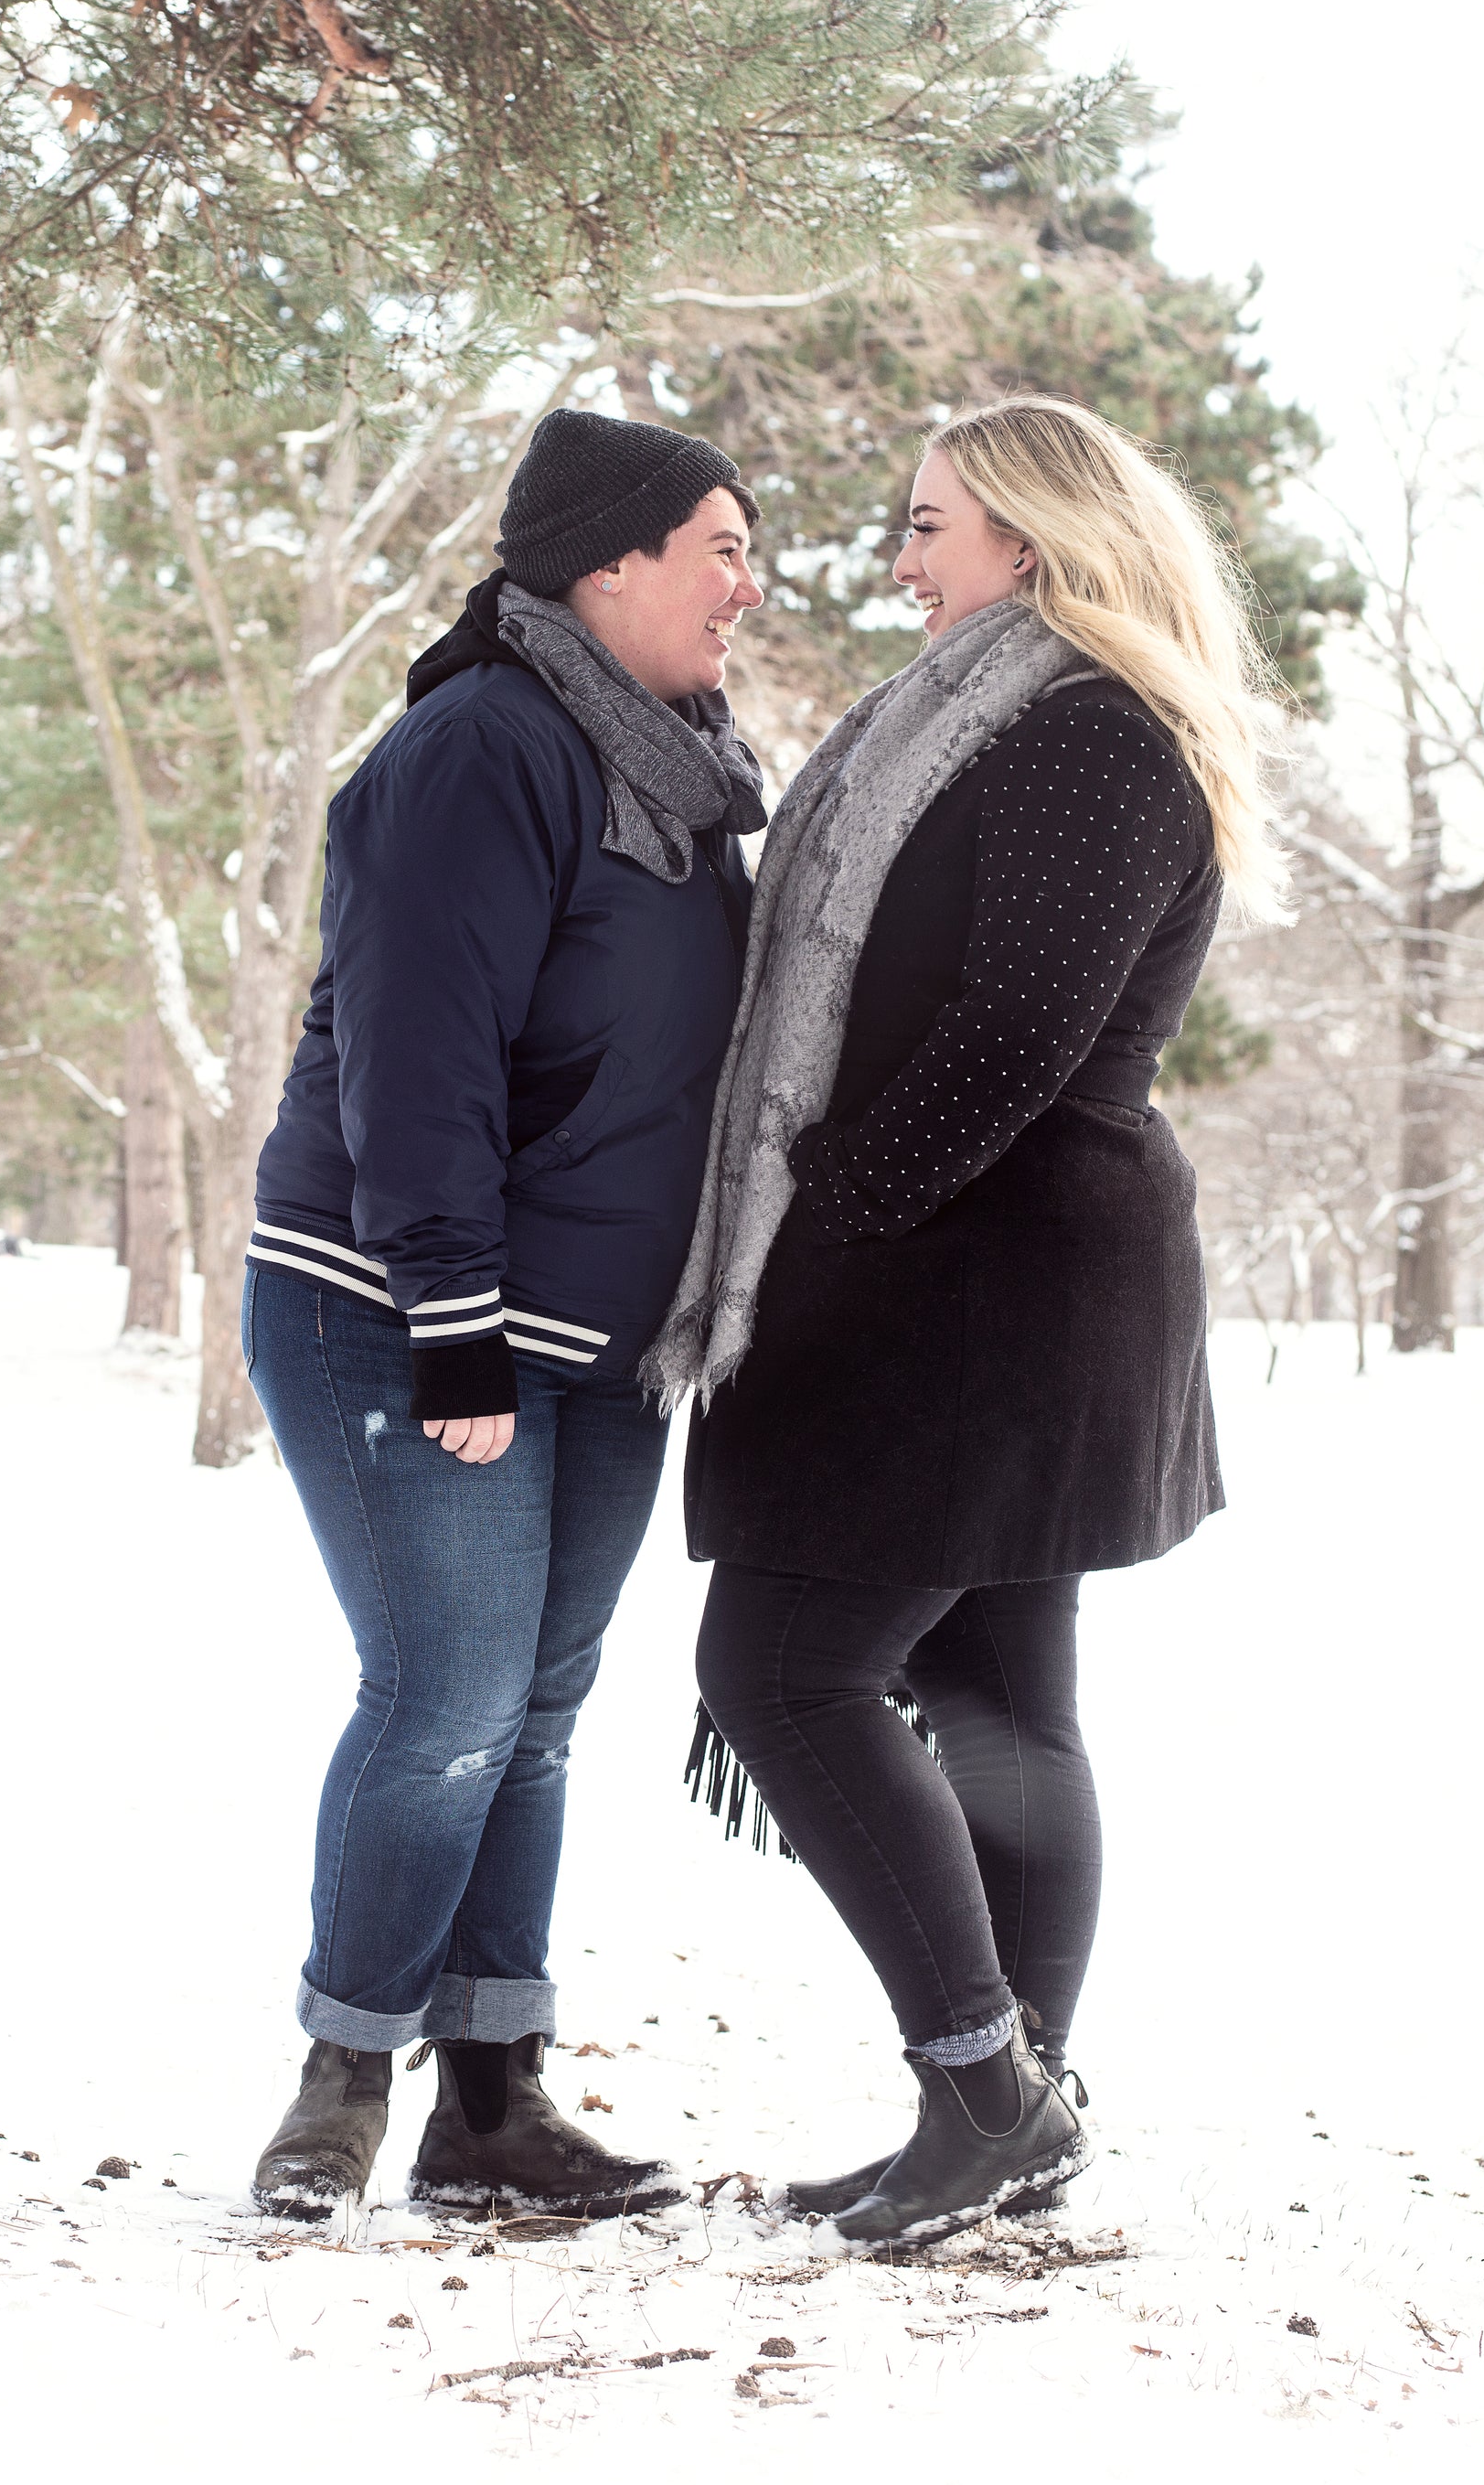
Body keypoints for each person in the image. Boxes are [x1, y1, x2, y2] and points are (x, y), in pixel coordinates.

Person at [644, 393, 1279, 2246]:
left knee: (777, 1670)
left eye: (927, 524)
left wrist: (831, 1192)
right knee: (996, 1695)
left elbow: (1014, 1031)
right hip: (981, 1270)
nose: (899, 556)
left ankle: (985, 2091)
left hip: (980, 1285)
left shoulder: (1083, 733)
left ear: (1029, 534)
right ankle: (1005, 2111)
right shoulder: (1007, 718)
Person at [242, 409, 766, 2221]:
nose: (743, 581)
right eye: (715, 541)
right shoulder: (479, 747)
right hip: (401, 1301)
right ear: (602, 559)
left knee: (533, 1708)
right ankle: (340, 2074)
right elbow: (414, 1046)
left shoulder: (688, 779)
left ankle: (490, 2103)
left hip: (596, 1336)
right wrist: (450, 1308)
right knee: (447, 1691)